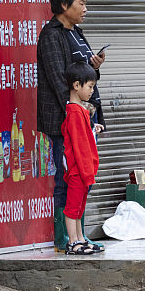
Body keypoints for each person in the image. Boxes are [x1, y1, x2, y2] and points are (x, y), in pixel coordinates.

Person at [36, 0, 106, 253]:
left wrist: (93, 66)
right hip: (64, 120)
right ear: (64, 5)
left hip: (84, 117)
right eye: (81, 3)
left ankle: (79, 235)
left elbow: (82, 74)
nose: (85, 9)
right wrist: (76, 111)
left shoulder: (76, 32)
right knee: (67, 176)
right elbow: (57, 79)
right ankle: (65, 238)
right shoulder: (51, 35)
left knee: (83, 178)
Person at [61, 62, 101, 255]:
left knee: (78, 208)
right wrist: (87, 171)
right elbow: (79, 147)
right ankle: (73, 242)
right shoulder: (75, 113)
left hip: (82, 170)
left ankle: (80, 239)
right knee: (72, 208)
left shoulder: (79, 110)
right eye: (90, 86)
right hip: (78, 170)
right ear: (76, 85)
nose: (92, 91)